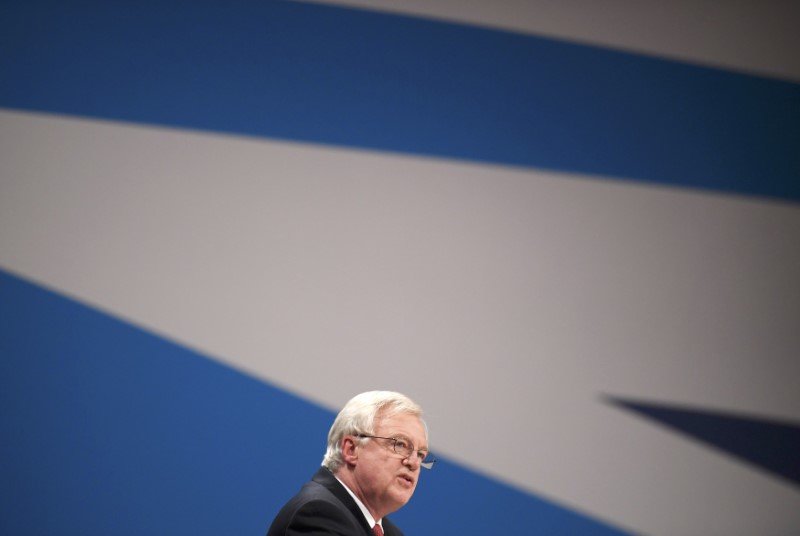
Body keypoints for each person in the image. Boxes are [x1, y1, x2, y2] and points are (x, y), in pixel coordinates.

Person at [267, 391, 434, 536]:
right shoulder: (318, 514)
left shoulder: (391, 533)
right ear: (351, 449)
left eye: (420, 454)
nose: (414, 463)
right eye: (400, 444)